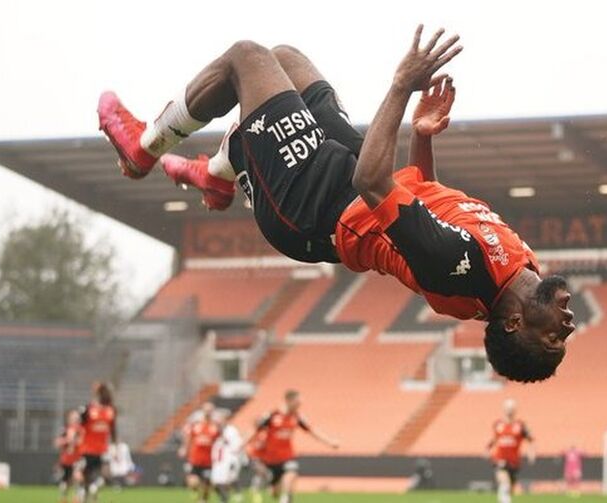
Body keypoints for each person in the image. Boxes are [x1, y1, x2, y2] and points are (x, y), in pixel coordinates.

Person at [97, 25, 575, 383]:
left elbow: (373, 181)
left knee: (248, 59)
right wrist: (423, 136)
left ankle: (144, 150)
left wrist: (400, 87)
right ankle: (217, 178)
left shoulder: (459, 268)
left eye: (554, 336)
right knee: (285, 58)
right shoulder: (519, 265)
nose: (568, 326)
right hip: (348, 178)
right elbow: (425, 199)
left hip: (319, 206)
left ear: (514, 323)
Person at [246, 390, 338, 503]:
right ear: (289, 401)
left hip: (287, 456)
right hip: (271, 460)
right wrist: (241, 444)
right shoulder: (273, 415)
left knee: (292, 472)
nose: (300, 403)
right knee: (275, 493)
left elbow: (312, 430)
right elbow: (256, 430)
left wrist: (330, 442)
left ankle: (286, 498)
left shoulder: (297, 417)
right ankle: (278, 490)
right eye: (298, 401)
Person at [486, 399, 534, 503]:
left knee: (509, 489)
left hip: (514, 461)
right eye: (508, 408)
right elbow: (494, 439)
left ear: (515, 410)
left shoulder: (520, 425)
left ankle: (502, 497)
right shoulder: (498, 424)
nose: (510, 411)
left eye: (512, 408)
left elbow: (530, 440)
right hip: (500, 459)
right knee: (505, 483)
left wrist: (531, 452)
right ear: (504, 409)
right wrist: (488, 447)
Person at [77, 382, 117, 503]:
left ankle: (91, 490)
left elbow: (113, 429)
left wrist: (114, 446)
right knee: (86, 478)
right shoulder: (88, 409)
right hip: (87, 449)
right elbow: (80, 425)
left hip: (101, 449)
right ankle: (84, 495)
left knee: (105, 475)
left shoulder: (110, 410)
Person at [179, 402, 221, 503]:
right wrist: (184, 448)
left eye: (210, 410)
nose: (208, 412)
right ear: (203, 411)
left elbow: (219, 441)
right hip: (195, 459)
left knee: (207, 483)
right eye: (206, 410)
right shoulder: (197, 425)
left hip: (208, 461)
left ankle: (204, 500)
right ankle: (195, 491)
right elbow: (188, 437)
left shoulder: (215, 427)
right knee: (193, 482)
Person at [211, 411, 244, 503]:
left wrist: (234, 460)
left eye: (221, 419)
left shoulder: (231, 430)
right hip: (218, 462)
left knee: (227, 480)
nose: (219, 421)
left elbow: (238, 445)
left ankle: (235, 495)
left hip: (228, 461)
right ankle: (225, 498)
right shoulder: (216, 431)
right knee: (216, 482)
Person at [54, 409, 83, 503]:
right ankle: (64, 499)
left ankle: (77, 499)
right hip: (66, 460)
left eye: (76, 417)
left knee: (77, 477)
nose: (75, 419)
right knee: (65, 482)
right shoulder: (64, 429)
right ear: (68, 418)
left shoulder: (81, 429)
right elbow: (57, 443)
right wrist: (67, 440)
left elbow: (83, 442)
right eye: (73, 417)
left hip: (78, 459)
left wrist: (76, 441)